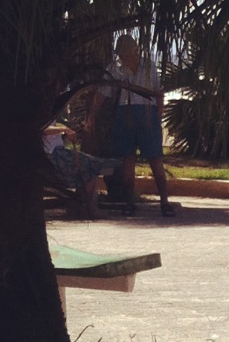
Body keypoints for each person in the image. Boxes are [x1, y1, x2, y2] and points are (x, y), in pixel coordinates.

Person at [92, 35, 177, 216]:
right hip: (125, 113)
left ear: (134, 50)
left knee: (155, 158)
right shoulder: (114, 68)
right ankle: (129, 201)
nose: (124, 57)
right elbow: (102, 94)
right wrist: (91, 117)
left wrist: (157, 116)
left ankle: (164, 202)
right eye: (121, 53)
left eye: (127, 52)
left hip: (147, 112)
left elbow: (158, 92)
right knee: (128, 160)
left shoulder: (148, 66)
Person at [42, 122, 117, 218]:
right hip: (51, 155)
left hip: (58, 151)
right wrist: (64, 130)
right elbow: (42, 129)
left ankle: (83, 206)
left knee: (91, 166)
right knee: (90, 165)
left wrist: (64, 134)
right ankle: (88, 208)